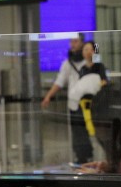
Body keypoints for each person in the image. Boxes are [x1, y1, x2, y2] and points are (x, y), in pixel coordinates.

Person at [42, 34, 101, 164]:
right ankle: (82, 157)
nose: (73, 44)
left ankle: (93, 156)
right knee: (77, 131)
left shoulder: (91, 61)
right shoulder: (67, 63)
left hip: (91, 102)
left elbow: (98, 55)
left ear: (82, 43)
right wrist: (48, 96)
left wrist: (94, 44)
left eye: (76, 41)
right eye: (71, 41)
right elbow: (59, 82)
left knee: (92, 129)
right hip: (75, 103)